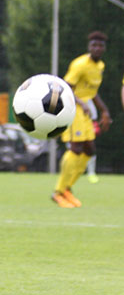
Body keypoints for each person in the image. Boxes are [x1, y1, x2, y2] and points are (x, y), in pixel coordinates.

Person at [51, 31, 111, 208]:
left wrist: (105, 111)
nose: (97, 48)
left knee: (89, 149)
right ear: (89, 47)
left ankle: (67, 189)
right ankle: (58, 192)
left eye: (100, 45)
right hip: (72, 107)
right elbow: (66, 88)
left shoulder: (100, 66)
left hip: (84, 111)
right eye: (94, 45)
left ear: (104, 48)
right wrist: (81, 104)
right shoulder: (79, 64)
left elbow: (92, 93)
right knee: (76, 148)